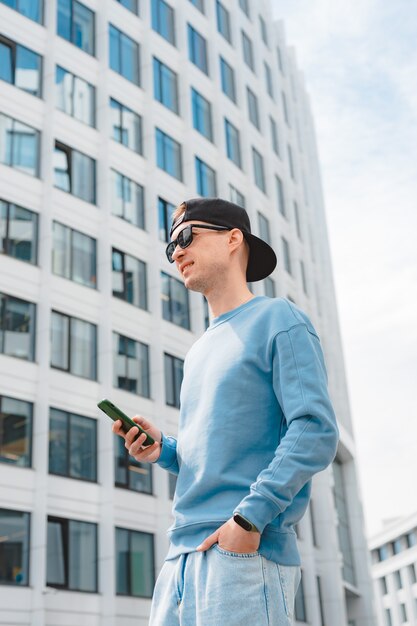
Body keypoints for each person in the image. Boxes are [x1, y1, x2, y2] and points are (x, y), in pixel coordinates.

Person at [112, 198, 339, 625]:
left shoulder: (280, 319)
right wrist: (164, 450)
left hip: (241, 554)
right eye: (170, 247)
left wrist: (248, 521)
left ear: (233, 238)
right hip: (178, 560)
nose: (176, 252)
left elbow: (315, 429)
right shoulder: (197, 351)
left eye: (185, 237)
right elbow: (216, 452)